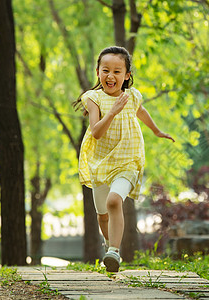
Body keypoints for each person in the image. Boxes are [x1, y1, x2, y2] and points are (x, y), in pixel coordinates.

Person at [74, 46, 174, 272]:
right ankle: (110, 244)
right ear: (97, 71)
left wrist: (156, 131)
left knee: (113, 201)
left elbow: (141, 112)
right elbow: (96, 132)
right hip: (100, 163)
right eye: (105, 70)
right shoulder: (93, 98)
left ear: (127, 75)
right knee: (102, 216)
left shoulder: (132, 96)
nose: (111, 76)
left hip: (128, 159)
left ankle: (114, 252)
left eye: (117, 71)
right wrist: (112, 112)